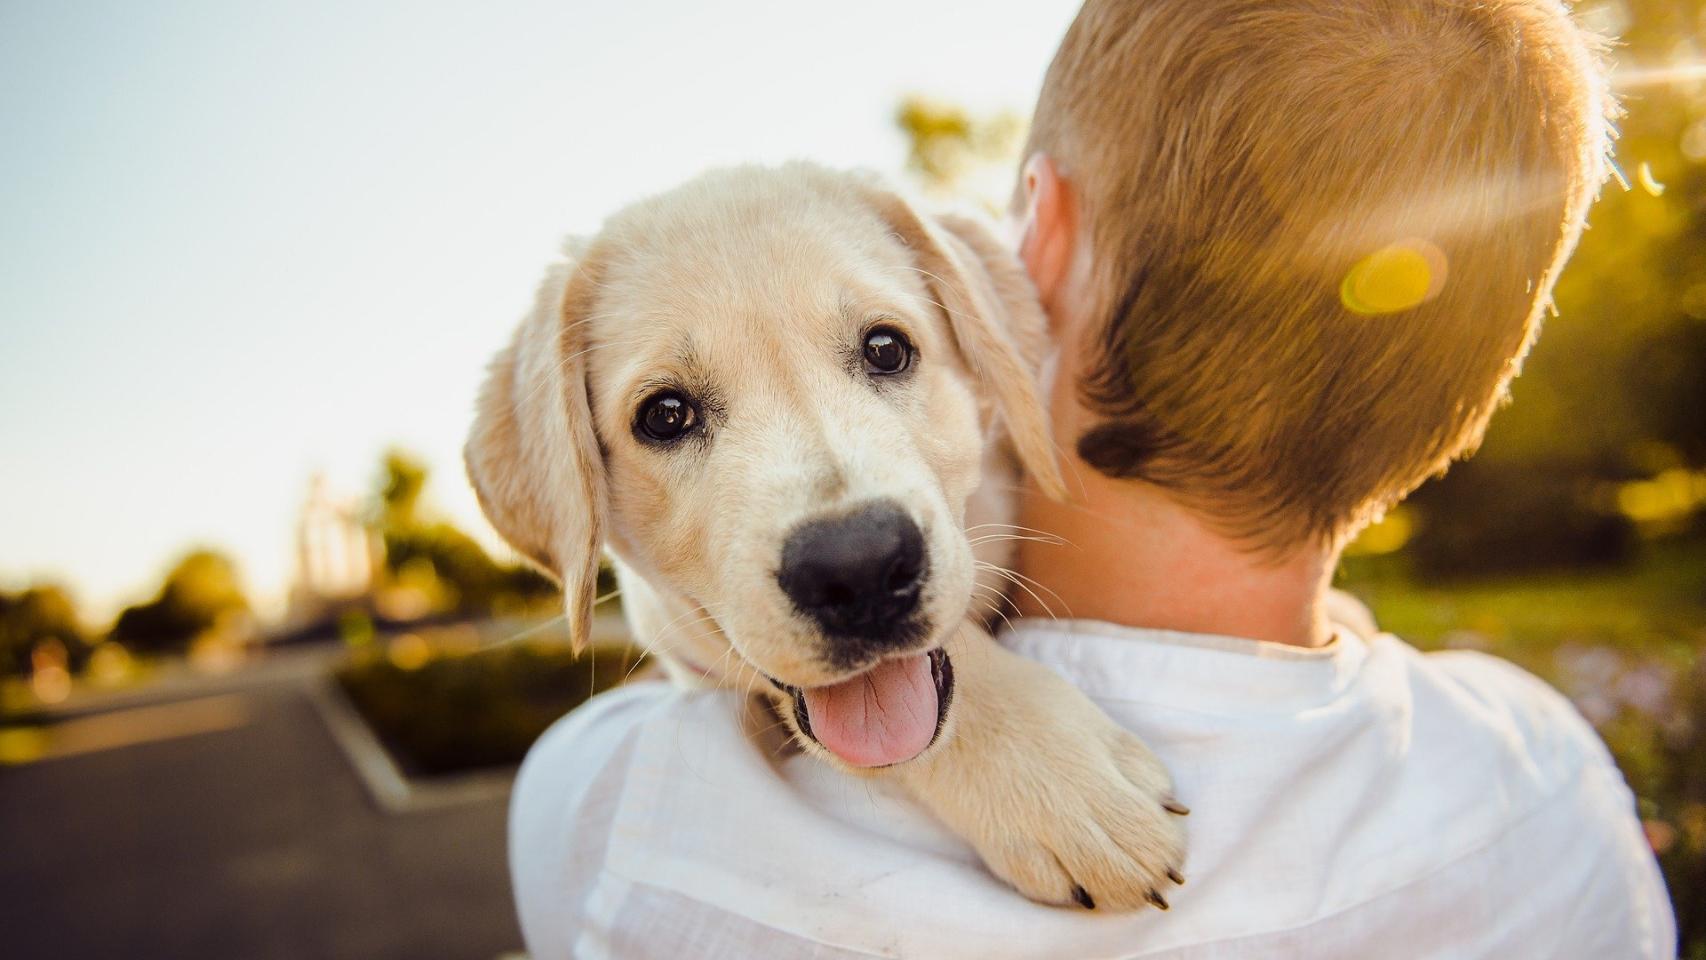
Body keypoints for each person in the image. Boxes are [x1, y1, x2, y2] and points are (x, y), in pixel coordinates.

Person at [508, 1, 1676, 956]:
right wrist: (970, 715)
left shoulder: (615, 820)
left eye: (881, 352)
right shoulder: (1552, 782)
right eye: (671, 415)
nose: (843, 523)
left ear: (1033, 253)